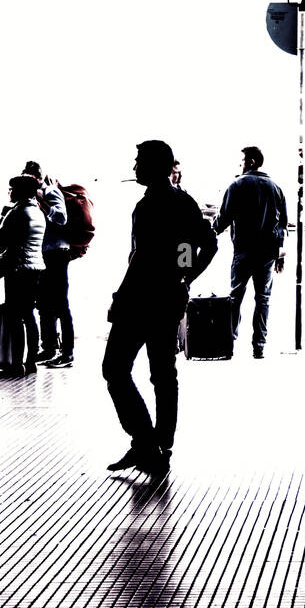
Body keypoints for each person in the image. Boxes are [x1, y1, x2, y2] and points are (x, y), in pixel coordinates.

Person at [103, 140, 217, 477]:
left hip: (143, 299)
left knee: (118, 369)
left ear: (156, 166)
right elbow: (193, 244)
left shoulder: (162, 203)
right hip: (162, 299)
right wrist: (182, 276)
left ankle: (147, 443)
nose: (134, 167)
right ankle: (156, 444)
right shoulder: (177, 201)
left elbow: (193, 244)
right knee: (161, 375)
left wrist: (182, 275)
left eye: (139, 162)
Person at [215, 146, 288, 359]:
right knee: (263, 299)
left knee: (235, 297)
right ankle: (259, 347)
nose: (240, 164)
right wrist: (279, 253)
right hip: (266, 254)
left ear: (252, 162)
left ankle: (229, 344)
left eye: (242, 161)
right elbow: (282, 225)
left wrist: (208, 233)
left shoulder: (237, 185)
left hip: (243, 252)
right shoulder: (276, 188)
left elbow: (224, 218)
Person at [0, 174, 46, 376]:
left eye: (12, 188)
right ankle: (31, 362)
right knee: (29, 315)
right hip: (35, 268)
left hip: (17, 269)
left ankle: (16, 364)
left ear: (19, 191)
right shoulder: (38, 212)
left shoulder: (16, 212)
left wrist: (2, 216)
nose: (9, 192)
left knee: (14, 317)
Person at [22, 162, 73, 369]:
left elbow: (61, 218)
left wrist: (44, 203)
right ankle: (49, 347)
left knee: (60, 303)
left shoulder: (50, 192)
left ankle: (67, 353)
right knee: (44, 303)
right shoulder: (34, 195)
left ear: (38, 177)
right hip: (43, 254)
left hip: (57, 253)